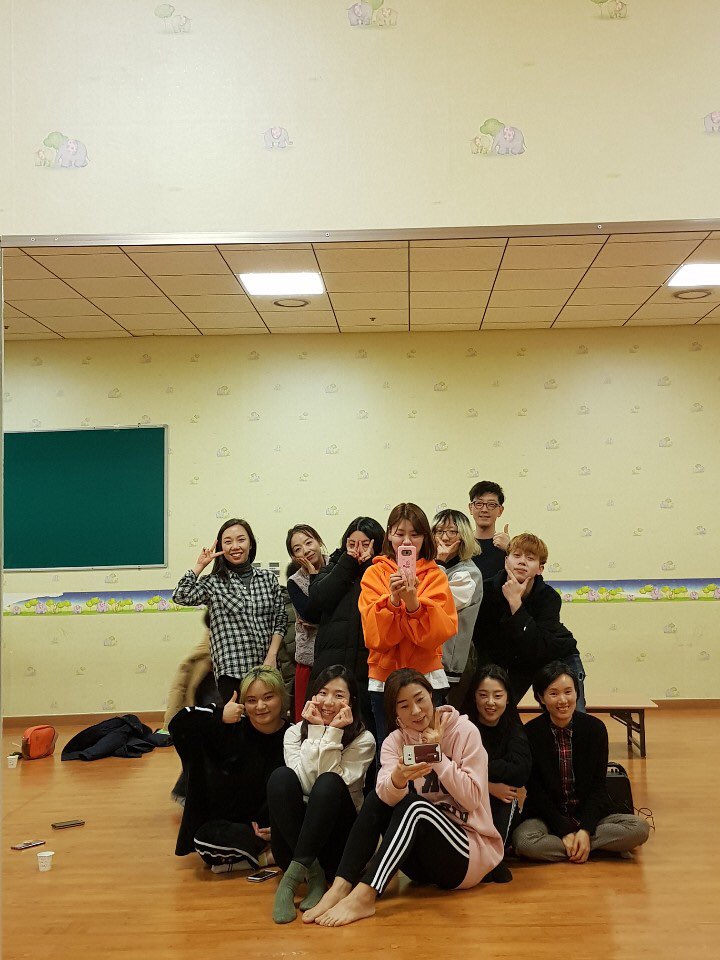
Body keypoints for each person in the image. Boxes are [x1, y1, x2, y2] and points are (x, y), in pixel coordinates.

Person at [303, 669, 503, 927]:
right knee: (378, 797)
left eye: (420, 699)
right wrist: (397, 779)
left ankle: (365, 895)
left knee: (415, 807)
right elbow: (384, 797)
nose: (416, 711)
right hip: (421, 864)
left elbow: (473, 799)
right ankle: (340, 887)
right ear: (395, 713)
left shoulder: (464, 731)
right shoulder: (394, 743)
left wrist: (436, 755)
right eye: (404, 706)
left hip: (467, 853)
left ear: (432, 696)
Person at [267, 665, 376, 924]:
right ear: (313, 695)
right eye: (323, 693)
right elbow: (304, 782)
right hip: (297, 842)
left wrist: (333, 733)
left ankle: (290, 882)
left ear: (351, 702)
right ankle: (311, 873)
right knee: (280, 777)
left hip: (338, 848)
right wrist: (315, 730)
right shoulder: (294, 732)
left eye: (339, 695)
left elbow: (327, 785)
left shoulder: (364, 739)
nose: (328, 702)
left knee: (328, 783)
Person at [512, 662, 650, 863]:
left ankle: (578, 845)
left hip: (589, 814)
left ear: (577, 693)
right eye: (553, 693)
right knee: (524, 841)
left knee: (640, 828)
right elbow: (536, 792)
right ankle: (593, 848)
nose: (562, 700)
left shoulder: (595, 729)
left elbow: (598, 787)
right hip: (547, 817)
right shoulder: (530, 733)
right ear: (541, 697)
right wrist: (564, 830)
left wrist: (585, 830)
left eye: (568, 692)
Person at [168, 665, 290, 871]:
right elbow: (178, 726)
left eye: (268, 697)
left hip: (275, 825)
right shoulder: (231, 728)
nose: (260, 706)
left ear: (281, 697)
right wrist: (219, 715)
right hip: (237, 827)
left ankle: (265, 854)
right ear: (243, 703)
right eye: (251, 700)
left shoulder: (294, 735)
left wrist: (278, 828)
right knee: (205, 838)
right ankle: (269, 855)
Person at [359, 502, 458, 743]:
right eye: (399, 533)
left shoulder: (436, 576)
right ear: (389, 535)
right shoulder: (374, 574)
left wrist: (414, 604)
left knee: (429, 745)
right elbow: (375, 637)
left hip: (426, 676)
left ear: (425, 537)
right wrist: (392, 602)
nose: (406, 541)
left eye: (414, 534)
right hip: (384, 679)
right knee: (389, 748)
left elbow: (438, 634)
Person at [172, 518, 287, 704]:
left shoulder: (268, 578)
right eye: (228, 542)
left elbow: (280, 620)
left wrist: (272, 656)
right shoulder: (214, 582)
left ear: (251, 544)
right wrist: (200, 565)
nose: (235, 546)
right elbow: (181, 596)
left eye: (241, 540)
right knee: (236, 720)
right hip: (232, 670)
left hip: (266, 668)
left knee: (267, 717)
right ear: (221, 548)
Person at [472, 532, 587, 708]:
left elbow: (538, 646)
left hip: (556, 656)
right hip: (516, 660)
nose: (522, 561)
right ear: (506, 561)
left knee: (569, 712)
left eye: (530, 558)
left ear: (540, 569)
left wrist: (516, 604)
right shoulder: (486, 591)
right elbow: (483, 643)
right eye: (517, 555)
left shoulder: (549, 598)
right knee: (496, 708)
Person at [307, 517, 385, 730]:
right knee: (323, 728)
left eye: (365, 544)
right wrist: (347, 563)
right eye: (352, 544)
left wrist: (369, 566)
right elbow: (317, 602)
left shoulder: (383, 571)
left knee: (366, 729)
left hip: (368, 668)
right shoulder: (333, 567)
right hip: (330, 664)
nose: (358, 550)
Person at [462, 664, 531, 882]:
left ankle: (493, 857)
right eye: (483, 695)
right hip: (469, 798)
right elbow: (455, 769)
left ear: (508, 698)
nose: (490, 702)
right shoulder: (464, 726)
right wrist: (489, 786)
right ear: (474, 697)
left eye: (498, 696)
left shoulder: (513, 727)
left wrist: (480, 768)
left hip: (500, 804)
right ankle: (482, 858)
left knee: (507, 796)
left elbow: (521, 772)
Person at [431, 509, 483, 708]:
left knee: (443, 717)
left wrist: (439, 563)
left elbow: (437, 602)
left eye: (452, 531)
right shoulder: (431, 566)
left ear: (463, 536)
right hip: (426, 659)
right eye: (439, 531)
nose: (444, 537)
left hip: (450, 663)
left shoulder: (469, 573)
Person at [285, 524, 327, 721]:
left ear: (318, 541)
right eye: (298, 549)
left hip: (337, 655)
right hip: (309, 659)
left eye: (309, 542)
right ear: (294, 557)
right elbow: (311, 615)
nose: (306, 550)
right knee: (307, 720)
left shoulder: (338, 567)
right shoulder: (295, 582)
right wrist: (312, 574)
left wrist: (321, 619)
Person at [468, 480, 510, 579]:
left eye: (491, 504)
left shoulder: (506, 546)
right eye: (479, 503)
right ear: (470, 508)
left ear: (500, 510)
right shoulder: (462, 544)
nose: (484, 509)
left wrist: (510, 550)